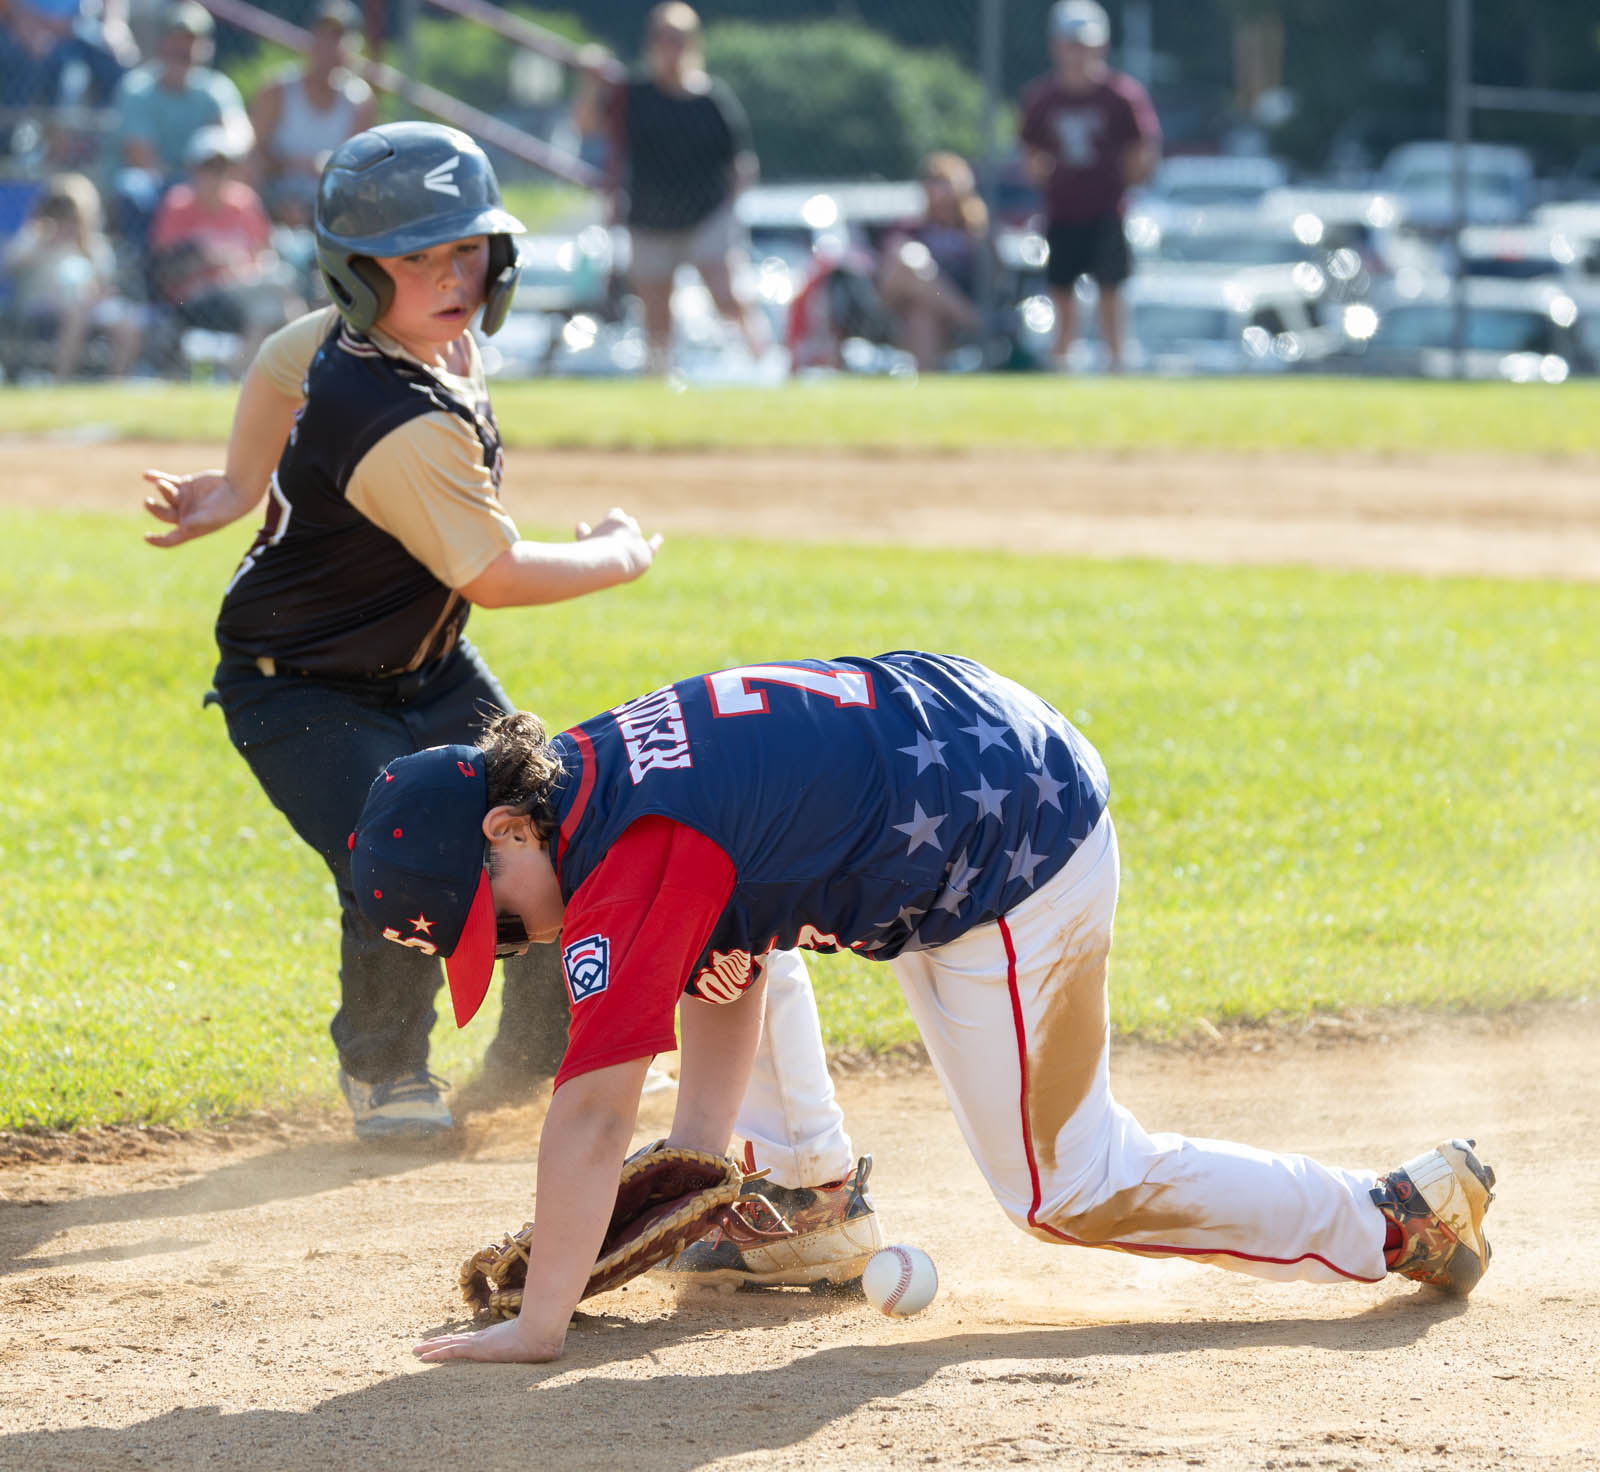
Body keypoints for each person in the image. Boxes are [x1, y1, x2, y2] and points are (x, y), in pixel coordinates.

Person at [349, 650, 1498, 1365]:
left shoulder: (629, 855)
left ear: (507, 827)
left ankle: (1390, 1217)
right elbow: (726, 950)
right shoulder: (589, 774)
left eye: (497, 921)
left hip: (1015, 851)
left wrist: (539, 1322)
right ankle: (805, 1198)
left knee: (1066, 1187)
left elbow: (593, 1113)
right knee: (716, 952)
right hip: (962, 754)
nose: (521, 942)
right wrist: (701, 1155)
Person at [140, 121, 664, 1142]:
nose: (450, 276)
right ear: (356, 272)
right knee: (398, 850)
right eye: (415, 257)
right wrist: (618, 556)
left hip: (425, 664)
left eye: (466, 248)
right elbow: (494, 574)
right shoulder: (397, 413)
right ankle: (386, 1073)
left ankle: (535, 1062)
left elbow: (281, 358)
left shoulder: (406, 342)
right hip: (298, 681)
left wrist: (241, 485)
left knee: (555, 819)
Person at [572, 2, 767, 374]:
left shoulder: (710, 100)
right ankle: (660, 380)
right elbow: (586, 126)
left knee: (728, 297)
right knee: (656, 316)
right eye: (663, 38)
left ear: (692, 43)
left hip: (707, 215)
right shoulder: (633, 95)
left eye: (678, 38)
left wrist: (730, 215)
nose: (670, 47)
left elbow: (740, 164)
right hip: (650, 218)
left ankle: (765, 365)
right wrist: (591, 82)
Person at [1018, 0, 1160, 370]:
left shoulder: (1120, 95)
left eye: (1085, 45)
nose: (1078, 54)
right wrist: (1051, 178)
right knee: (1062, 295)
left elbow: (1141, 151)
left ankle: (1117, 363)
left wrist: (1120, 181)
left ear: (1102, 46)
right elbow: (1031, 155)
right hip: (1063, 211)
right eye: (1071, 44)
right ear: (1056, 46)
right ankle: (1063, 363)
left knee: (1111, 293)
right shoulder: (1044, 98)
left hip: (1107, 210)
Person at [148, 125, 304, 373]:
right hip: (197, 296)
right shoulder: (178, 205)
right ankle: (298, 368)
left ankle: (241, 370)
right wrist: (207, 259)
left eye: (223, 168)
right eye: (208, 167)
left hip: (245, 288)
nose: (216, 175)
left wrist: (244, 266)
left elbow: (263, 253)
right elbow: (162, 268)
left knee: (275, 305)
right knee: (281, 291)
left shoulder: (244, 202)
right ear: (194, 169)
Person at [109, 1, 249, 241]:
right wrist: (189, 186)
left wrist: (220, 153)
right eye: (177, 39)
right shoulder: (138, 90)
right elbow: (141, 158)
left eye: (192, 41)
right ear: (162, 42)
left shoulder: (218, 91)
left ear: (207, 47)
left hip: (204, 183)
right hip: (160, 182)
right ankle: (142, 260)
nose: (184, 49)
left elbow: (240, 138)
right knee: (133, 187)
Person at [1, 170, 142, 377]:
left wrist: (84, 248)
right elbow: (9, 264)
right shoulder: (34, 236)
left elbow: (104, 281)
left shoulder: (93, 244)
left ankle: (115, 382)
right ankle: (62, 379)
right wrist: (43, 241)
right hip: (42, 304)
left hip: (87, 304)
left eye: (71, 214)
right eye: (58, 211)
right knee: (76, 315)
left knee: (128, 323)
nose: (65, 220)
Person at [247, 0, 374, 228]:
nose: (331, 46)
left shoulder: (361, 101)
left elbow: (361, 171)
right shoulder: (276, 91)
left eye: (338, 38)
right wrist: (296, 168)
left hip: (332, 208)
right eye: (324, 36)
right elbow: (254, 156)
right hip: (273, 203)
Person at [877, 152, 988, 373]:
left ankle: (927, 382)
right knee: (909, 259)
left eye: (941, 182)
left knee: (922, 313)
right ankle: (974, 321)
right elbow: (893, 261)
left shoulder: (974, 231)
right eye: (930, 182)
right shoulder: (913, 226)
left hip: (942, 304)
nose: (933, 188)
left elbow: (990, 277)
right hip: (895, 303)